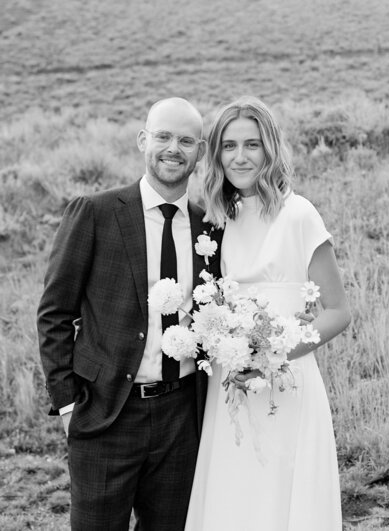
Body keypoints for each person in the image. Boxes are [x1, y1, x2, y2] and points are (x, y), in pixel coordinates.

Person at [37, 97, 222, 531]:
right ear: (143, 140)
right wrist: (67, 406)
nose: (173, 148)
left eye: (186, 140)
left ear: (200, 151)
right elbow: (54, 313)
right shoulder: (96, 212)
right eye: (163, 137)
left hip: (183, 418)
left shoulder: (209, 228)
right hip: (105, 414)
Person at [184, 96, 351, 531]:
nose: (240, 157)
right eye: (229, 145)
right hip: (233, 387)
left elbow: (337, 312)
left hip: (287, 383)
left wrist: (272, 357)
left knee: (283, 497)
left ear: (270, 149)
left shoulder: (299, 215)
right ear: (217, 154)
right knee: (235, 498)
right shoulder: (221, 219)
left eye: (252, 145)